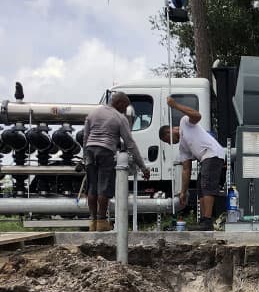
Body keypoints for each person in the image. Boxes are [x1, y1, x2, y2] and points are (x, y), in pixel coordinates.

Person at [83, 91, 150, 232]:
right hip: (106, 151)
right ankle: (101, 222)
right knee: (103, 187)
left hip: (90, 150)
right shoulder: (120, 118)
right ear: (119, 103)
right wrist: (143, 167)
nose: (125, 110)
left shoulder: (93, 113)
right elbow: (130, 144)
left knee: (91, 188)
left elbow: (86, 137)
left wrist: (85, 157)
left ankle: (92, 222)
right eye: (125, 106)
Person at [158, 97, 225, 231]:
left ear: (169, 131)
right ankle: (203, 221)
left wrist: (175, 105)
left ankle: (207, 221)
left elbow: (197, 115)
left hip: (213, 153)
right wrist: (183, 191)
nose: (170, 143)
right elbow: (186, 170)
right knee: (201, 185)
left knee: (206, 184)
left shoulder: (185, 122)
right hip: (205, 158)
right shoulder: (183, 148)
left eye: (167, 140)